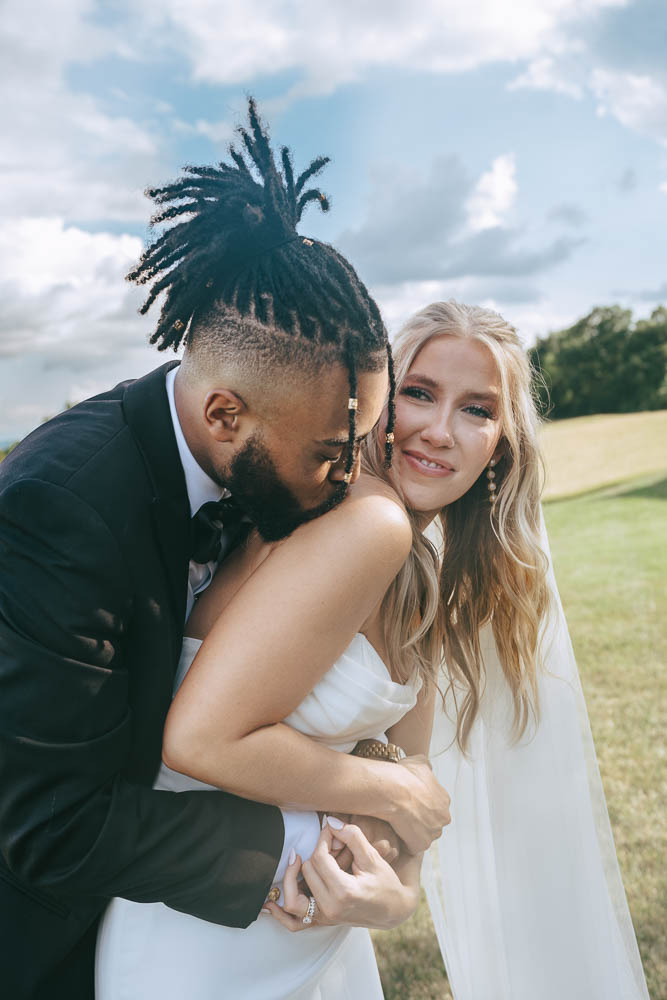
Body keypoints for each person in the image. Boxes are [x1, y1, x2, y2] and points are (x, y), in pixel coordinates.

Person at [0, 100, 450, 1000]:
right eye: (330, 455)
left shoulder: (259, 470)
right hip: (50, 943)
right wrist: (309, 840)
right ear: (225, 416)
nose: (342, 483)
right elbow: (47, 823)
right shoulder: (60, 508)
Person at [96, 301, 650, 999]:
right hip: (203, 942)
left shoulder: (411, 561)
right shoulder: (366, 521)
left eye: (476, 410)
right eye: (418, 392)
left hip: (314, 941)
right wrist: (394, 791)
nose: (437, 430)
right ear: (375, 398)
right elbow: (201, 740)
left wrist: (396, 898)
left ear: (499, 447)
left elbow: (401, 766)